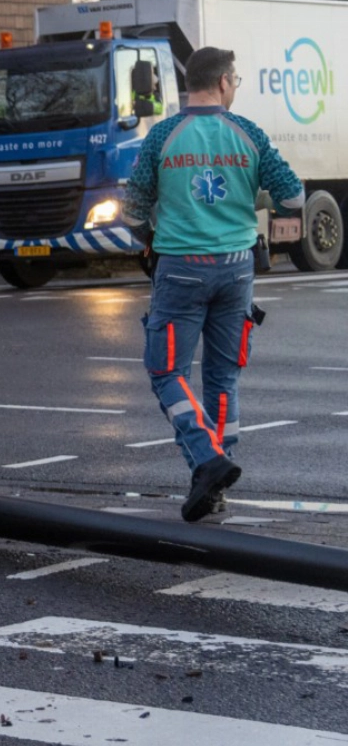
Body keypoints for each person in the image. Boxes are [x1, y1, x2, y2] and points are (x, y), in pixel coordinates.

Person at [122, 46, 305, 523]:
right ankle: (214, 484)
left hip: (180, 267)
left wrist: (149, 237)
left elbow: (134, 211)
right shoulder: (248, 134)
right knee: (222, 378)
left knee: (166, 371)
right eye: (236, 81)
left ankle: (207, 460)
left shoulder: (163, 135)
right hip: (237, 268)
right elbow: (292, 196)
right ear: (223, 82)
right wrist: (252, 194)